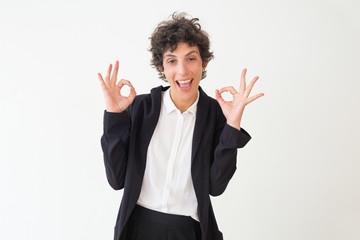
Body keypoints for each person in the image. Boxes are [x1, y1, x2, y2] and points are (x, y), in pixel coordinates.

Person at [98, 12, 264, 240]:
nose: (183, 71)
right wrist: (114, 116)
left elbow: (216, 186)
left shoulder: (216, 114)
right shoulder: (141, 108)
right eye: (172, 60)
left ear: (204, 62)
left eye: (191, 58)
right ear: (161, 67)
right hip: (137, 228)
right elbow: (116, 179)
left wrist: (232, 124)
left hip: (188, 232)